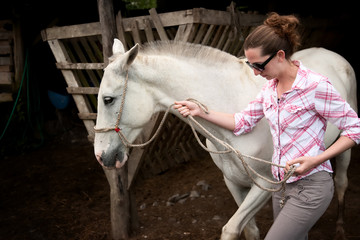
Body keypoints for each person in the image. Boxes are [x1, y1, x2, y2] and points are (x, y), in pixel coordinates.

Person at [173, 13, 360, 240]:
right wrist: (202, 112)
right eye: (250, 65)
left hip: (310, 186)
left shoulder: (315, 86)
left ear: (280, 56)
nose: (255, 72)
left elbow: (353, 128)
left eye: (259, 65)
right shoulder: (270, 89)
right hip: (279, 187)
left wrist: (317, 159)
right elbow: (242, 122)